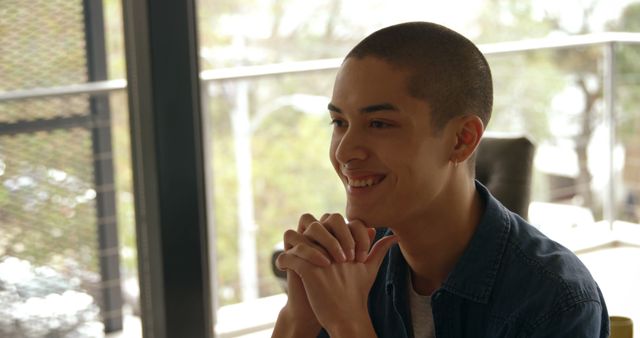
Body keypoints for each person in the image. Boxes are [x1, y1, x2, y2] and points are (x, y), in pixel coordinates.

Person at [272, 21, 609, 338]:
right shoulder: (350, 267)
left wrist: (349, 324)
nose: (345, 152)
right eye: (339, 122)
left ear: (461, 140)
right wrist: (299, 316)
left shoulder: (556, 303)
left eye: (379, 124)